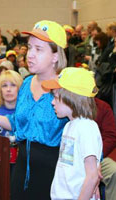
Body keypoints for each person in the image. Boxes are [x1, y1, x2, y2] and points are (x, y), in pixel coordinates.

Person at [0, 20, 68, 199]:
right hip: (21, 169)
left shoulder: (67, 88)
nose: (30, 55)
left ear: (55, 56)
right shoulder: (27, 83)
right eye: (29, 48)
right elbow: (17, 122)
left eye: (38, 49)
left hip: (54, 173)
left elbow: (84, 130)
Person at [41, 67, 102, 199]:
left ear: (72, 98)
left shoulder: (87, 127)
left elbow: (92, 176)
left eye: (56, 97)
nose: (52, 102)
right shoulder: (69, 126)